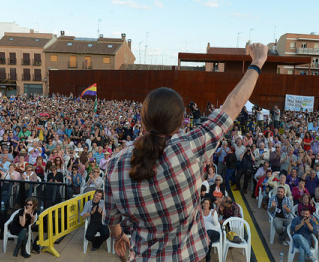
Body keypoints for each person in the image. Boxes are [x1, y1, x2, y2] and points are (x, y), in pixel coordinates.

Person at [104, 43, 268, 261]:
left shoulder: (114, 165)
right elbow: (234, 104)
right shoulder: (190, 146)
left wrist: (119, 238)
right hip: (190, 255)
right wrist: (257, 63)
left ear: (142, 121)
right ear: (181, 122)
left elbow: (112, 219)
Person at [201, 198, 219, 262]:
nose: (205, 205)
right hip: (205, 234)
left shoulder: (212, 211)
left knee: (209, 232)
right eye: (204, 203)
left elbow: (216, 223)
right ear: (202, 204)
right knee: (209, 241)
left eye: (207, 203)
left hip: (214, 233)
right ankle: (208, 258)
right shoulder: (200, 212)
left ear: (209, 205)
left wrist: (213, 216)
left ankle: (204, 255)